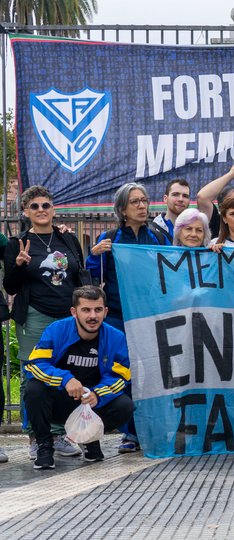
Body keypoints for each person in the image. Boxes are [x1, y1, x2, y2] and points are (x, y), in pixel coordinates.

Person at [4, 186, 87, 460]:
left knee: (64, 372)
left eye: (46, 205)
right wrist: (18, 265)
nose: (41, 210)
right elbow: (10, 286)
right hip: (35, 317)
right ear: (26, 211)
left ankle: (59, 433)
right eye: (35, 206)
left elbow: (79, 274)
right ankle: (37, 437)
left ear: (53, 209)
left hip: (67, 316)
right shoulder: (18, 242)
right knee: (33, 376)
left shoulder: (68, 239)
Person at [87, 182, 169, 453]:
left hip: (150, 317)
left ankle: (153, 429)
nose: (142, 206)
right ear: (122, 209)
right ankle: (130, 434)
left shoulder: (157, 236)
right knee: (124, 375)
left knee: (153, 374)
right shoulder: (110, 238)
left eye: (144, 200)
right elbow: (92, 272)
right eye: (135, 202)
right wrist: (95, 255)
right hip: (118, 318)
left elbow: (172, 266)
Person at [22, 286, 134, 469]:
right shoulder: (56, 329)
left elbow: (121, 377)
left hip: (91, 404)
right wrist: (65, 379)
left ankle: (89, 439)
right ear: (74, 312)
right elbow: (35, 365)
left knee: (125, 405)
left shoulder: (116, 337)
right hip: (58, 402)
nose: (92, 316)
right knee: (34, 389)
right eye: (86, 310)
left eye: (98, 310)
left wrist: (98, 394)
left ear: (105, 312)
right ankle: (44, 445)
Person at [196, 164, 234, 239]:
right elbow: (202, 197)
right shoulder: (215, 221)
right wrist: (230, 175)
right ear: (221, 208)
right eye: (232, 202)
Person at [152, 179, 190, 243]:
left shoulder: (196, 229)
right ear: (165, 199)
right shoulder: (152, 229)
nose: (181, 199)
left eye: (185, 196)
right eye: (175, 194)